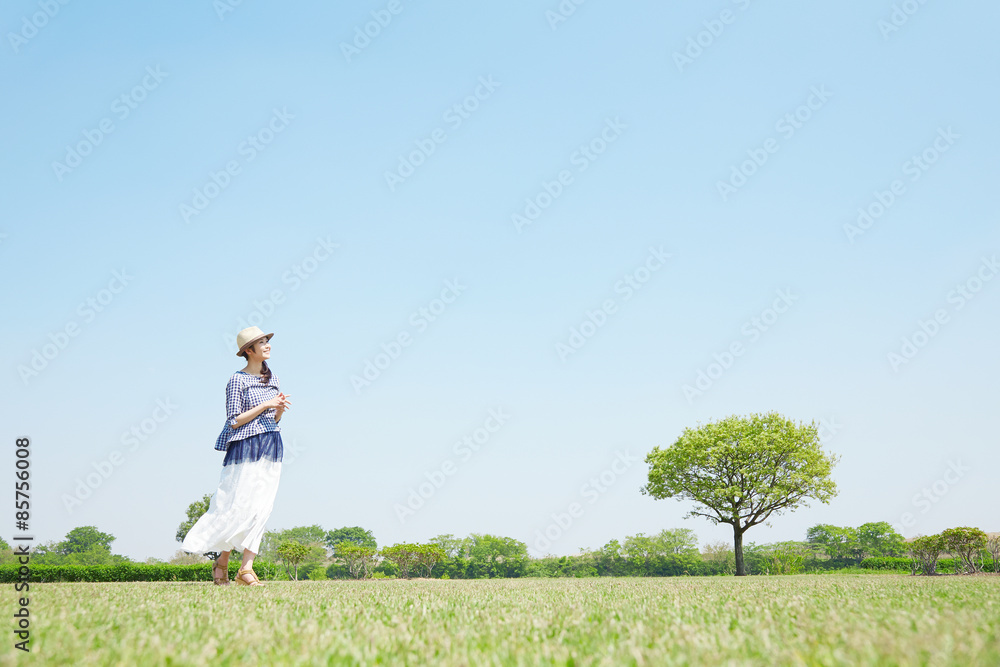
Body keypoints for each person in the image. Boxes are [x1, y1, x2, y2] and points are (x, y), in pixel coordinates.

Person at [181, 326, 291, 586]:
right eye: (262, 342)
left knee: (262, 508)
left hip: (271, 443)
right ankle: (222, 562)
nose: (268, 345)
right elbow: (234, 420)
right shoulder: (237, 380)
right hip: (245, 446)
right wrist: (266, 404)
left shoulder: (272, 378)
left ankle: (246, 569)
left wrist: (279, 411)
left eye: (267, 341)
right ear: (249, 351)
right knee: (236, 506)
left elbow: (272, 418)